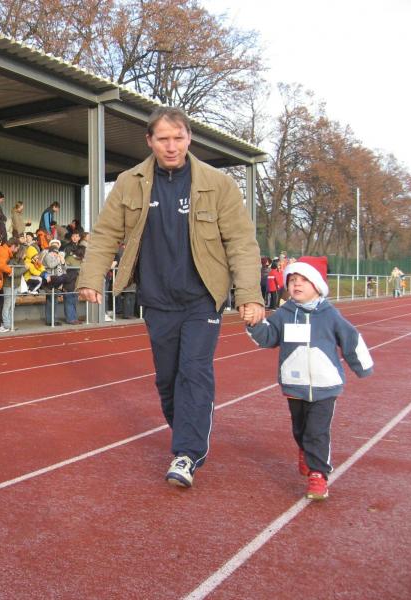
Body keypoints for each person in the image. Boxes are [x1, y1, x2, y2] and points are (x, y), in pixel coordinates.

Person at [76, 106, 264, 489]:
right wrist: (91, 277)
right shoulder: (129, 182)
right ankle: (188, 433)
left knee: (193, 371)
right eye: (163, 139)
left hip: (202, 298)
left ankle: (187, 453)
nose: (172, 146)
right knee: (167, 380)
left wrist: (250, 294)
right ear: (150, 141)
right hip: (156, 298)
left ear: (189, 138)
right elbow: (107, 233)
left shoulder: (218, 184)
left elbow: (241, 242)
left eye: (178, 138)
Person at [244, 256, 373, 500]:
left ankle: (318, 475)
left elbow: (351, 338)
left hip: (325, 386)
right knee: (300, 429)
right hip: (295, 384)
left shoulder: (330, 314)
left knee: (317, 431)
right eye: (293, 279)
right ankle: (305, 449)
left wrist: (362, 367)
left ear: (317, 285)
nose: (297, 284)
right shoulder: (284, 313)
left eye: (304, 279)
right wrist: (254, 324)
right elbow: (269, 338)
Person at [0, 236, 20, 332]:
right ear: (13, 246)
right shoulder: (4, 252)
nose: (17, 250)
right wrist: (10, 270)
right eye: (17, 248)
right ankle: (6, 324)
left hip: (11, 283)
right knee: (8, 304)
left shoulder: (7, 252)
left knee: (11, 305)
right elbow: (1, 264)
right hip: (7, 283)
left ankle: (10, 324)